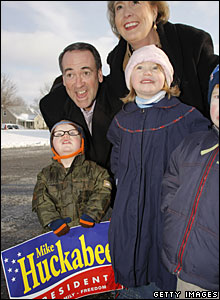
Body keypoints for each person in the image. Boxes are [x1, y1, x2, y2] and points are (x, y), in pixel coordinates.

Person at [106, 45, 211, 299]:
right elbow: (116, 161)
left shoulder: (186, 117)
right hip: (129, 211)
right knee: (131, 264)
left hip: (166, 209)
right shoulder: (122, 120)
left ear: (168, 78)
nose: (147, 72)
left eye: (156, 67)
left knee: (161, 268)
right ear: (130, 78)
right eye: (139, 67)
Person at [161, 65, 219, 298]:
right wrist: (171, 214)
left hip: (210, 277)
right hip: (180, 268)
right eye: (218, 96)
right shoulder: (193, 144)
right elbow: (171, 182)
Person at [106, 1, 218, 119]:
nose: (127, 13)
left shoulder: (191, 42)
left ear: (154, 11)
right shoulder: (115, 63)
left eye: (135, 3)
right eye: (119, 7)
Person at [39, 42, 123, 172]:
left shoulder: (120, 98)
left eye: (86, 73)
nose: (78, 84)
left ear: (99, 75)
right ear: (64, 80)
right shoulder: (52, 107)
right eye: (70, 75)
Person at [32, 120, 112, 235]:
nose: (65, 135)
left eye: (72, 133)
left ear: (82, 141)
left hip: (91, 233)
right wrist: (52, 220)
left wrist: (91, 214)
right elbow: (40, 199)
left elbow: (103, 192)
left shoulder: (97, 171)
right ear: (52, 143)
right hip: (56, 236)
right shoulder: (45, 174)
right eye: (59, 133)